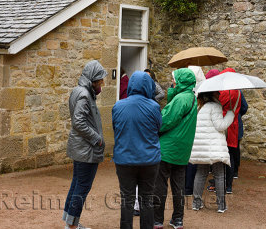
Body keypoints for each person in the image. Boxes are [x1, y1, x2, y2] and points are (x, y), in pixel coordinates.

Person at [112, 71, 162, 229]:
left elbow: (115, 128)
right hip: (149, 160)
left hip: (124, 158)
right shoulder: (154, 107)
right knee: (146, 199)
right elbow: (158, 128)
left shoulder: (118, 105)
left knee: (127, 199)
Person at [63, 60, 108, 229]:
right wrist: (96, 138)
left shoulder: (80, 91)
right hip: (86, 150)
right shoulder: (84, 94)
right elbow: (79, 122)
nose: (102, 84)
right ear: (93, 80)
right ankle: (72, 226)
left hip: (81, 149)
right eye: (100, 81)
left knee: (77, 184)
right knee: (82, 187)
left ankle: (70, 222)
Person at [153, 68, 198, 229]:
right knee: (178, 186)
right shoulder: (190, 97)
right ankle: (177, 219)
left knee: (160, 185)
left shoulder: (181, 99)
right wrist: (173, 93)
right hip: (181, 150)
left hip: (168, 148)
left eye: (174, 79)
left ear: (180, 81)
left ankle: (157, 220)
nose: (172, 81)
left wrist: (153, 128)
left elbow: (167, 120)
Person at [189, 91, 235, 213]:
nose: (219, 94)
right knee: (219, 174)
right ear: (212, 94)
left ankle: (196, 203)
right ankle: (221, 205)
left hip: (201, 146)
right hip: (214, 146)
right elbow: (220, 126)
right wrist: (230, 114)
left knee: (201, 173)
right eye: (217, 92)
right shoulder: (215, 106)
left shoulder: (199, 107)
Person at [219, 68, 241, 194]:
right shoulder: (237, 91)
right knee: (231, 155)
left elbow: (219, 103)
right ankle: (229, 185)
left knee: (225, 155)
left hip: (225, 124)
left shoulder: (226, 92)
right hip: (233, 125)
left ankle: (224, 184)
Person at [184, 66, 206, 196]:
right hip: (197, 129)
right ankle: (188, 187)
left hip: (190, 128)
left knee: (189, 159)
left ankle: (187, 187)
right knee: (192, 160)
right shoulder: (202, 91)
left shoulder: (187, 92)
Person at [235, 92, 248, 178]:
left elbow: (244, 107)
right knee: (235, 149)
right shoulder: (238, 91)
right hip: (237, 120)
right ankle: (235, 171)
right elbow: (244, 106)